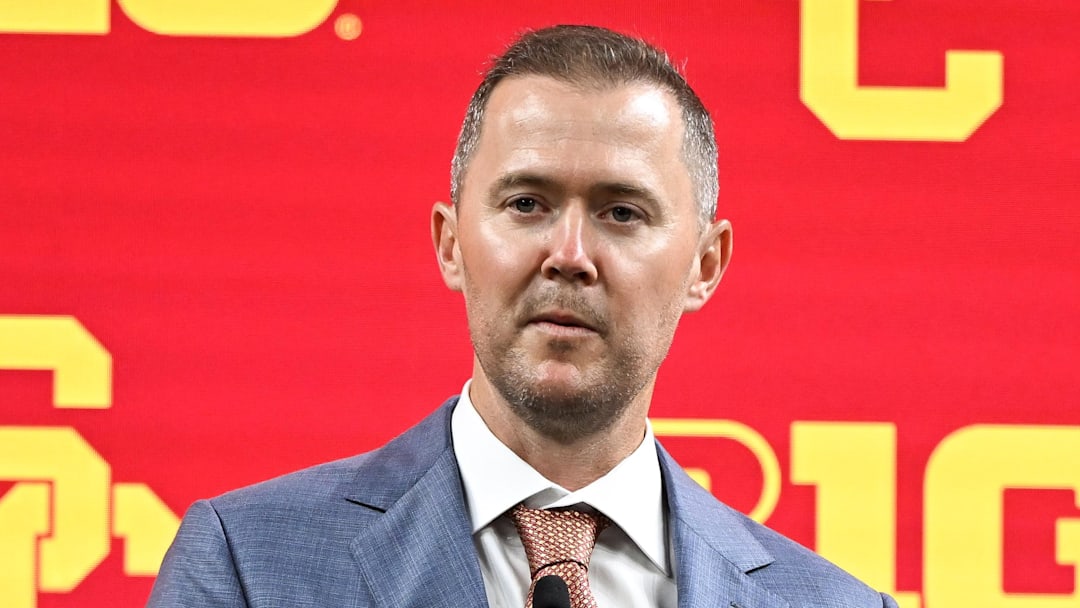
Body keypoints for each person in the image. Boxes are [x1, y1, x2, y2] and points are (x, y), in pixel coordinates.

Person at [148, 25, 897, 608]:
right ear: (451, 244)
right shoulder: (250, 565)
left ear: (705, 264)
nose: (569, 253)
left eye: (623, 211)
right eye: (526, 204)